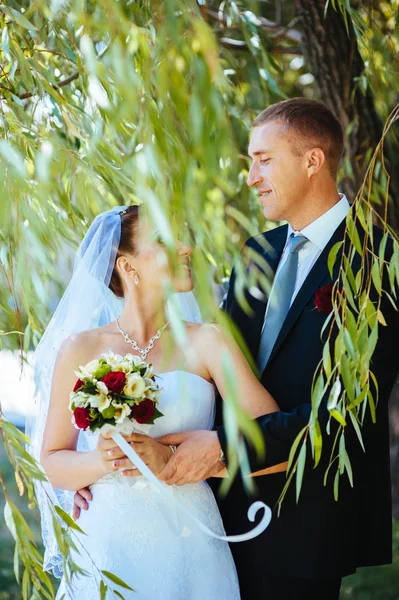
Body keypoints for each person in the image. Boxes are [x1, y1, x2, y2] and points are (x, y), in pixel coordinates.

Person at [141, 98, 399, 599]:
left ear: (312, 161)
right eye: (250, 161)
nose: (252, 176)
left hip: (305, 517)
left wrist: (220, 449)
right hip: (214, 509)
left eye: (264, 159)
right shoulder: (256, 253)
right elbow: (211, 369)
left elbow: (346, 413)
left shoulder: (376, 264)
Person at [39, 206, 284, 599]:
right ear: (128, 267)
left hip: (193, 541)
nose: (186, 247)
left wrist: (185, 460)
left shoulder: (209, 342)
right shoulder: (80, 349)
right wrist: (105, 460)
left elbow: (278, 443)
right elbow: (52, 460)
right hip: (108, 546)